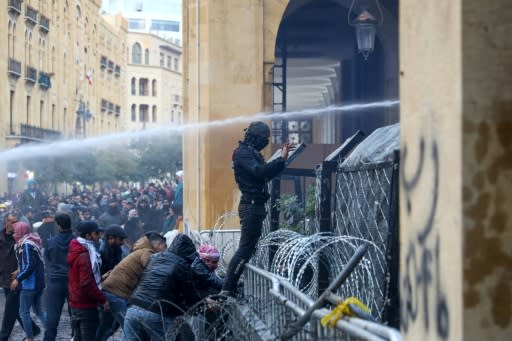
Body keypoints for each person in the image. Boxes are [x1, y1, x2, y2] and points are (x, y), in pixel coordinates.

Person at [220, 121, 295, 297]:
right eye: (263, 138)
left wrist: (281, 160)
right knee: (245, 248)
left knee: (249, 249)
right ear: (254, 137)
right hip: (251, 205)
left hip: (256, 205)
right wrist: (281, 159)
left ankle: (231, 286)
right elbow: (260, 172)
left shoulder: (252, 153)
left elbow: (265, 174)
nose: (265, 142)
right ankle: (227, 289)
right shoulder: (244, 153)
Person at [123, 234, 202, 341]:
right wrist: (204, 304)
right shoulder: (182, 264)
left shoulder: (155, 257)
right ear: (188, 254)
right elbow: (190, 295)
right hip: (155, 313)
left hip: (133, 309)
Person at [97, 232, 167, 341]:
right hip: (116, 294)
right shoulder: (147, 252)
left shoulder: (140, 250)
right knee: (132, 328)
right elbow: (153, 271)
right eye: (164, 246)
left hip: (111, 291)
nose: (165, 250)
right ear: (158, 244)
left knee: (108, 328)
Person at [0, 213, 40, 341]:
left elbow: (30, 260)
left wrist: (20, 272)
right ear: (6, 223)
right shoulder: (1, 238)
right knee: (15, 308)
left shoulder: (21, 238)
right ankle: (34, 329)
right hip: (4, 277)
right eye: (10, 222)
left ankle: (3, 336)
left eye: (15, 222)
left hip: (17, 279)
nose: (13, 225)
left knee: (10, 309)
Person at [67, 221, 109, 341]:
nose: (99, 236)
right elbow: (86, 283)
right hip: (85, 305)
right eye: (96, 233)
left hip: (76, 301)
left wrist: (100, 278)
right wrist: (102, 299)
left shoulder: (77, 248)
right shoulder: (85, 254)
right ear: (88, 236)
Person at [11, 221, 47, 341]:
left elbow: (29, 265)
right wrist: (18, 270)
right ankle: (51, 331)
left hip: (30, 284)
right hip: (38, 283)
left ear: (21, 231)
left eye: (15, 231)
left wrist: (18, 279)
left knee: (24, 312)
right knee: (38, 310)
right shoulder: (32, 241)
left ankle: (30, 338)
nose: (13, 233)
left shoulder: (26, 244)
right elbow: (30, 263)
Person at [43, 212, 75, 341]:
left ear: (59, 226)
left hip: (55, 282)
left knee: (52, 316)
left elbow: (48, 260)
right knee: (76, 315)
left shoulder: (51, 241)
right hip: (72, 282)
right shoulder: (76, 241)